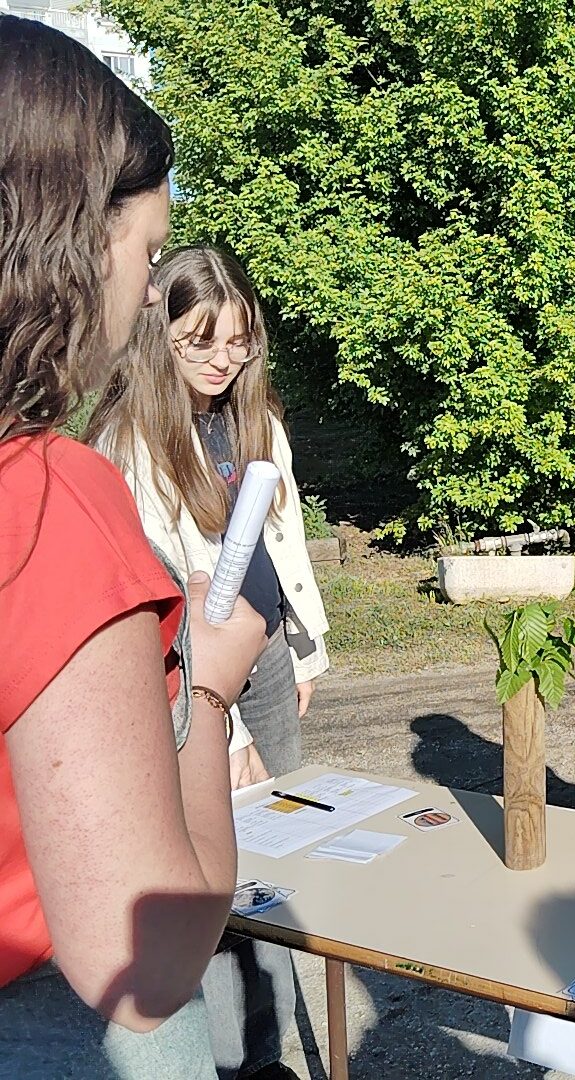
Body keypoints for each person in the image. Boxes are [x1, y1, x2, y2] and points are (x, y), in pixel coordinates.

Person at [0, 17, 267, 1077]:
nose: (152, 290)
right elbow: (142, 962)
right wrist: (207, 688)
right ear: (63, 244)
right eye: (149, 253)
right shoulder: (46, 500)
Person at [89, 246, 331, 1080]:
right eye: (201, 342)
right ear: (158, 338)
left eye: (238, 341)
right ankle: (235, 1061)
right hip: (198, 692)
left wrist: (303, 649)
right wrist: (225, 734)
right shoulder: (130, 445)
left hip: (264, 667)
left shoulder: (252, 418)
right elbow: (167, 608)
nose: (223, 360)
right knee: (217, 885)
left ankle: (267, 1055)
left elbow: (282, 540)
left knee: (275, 865)